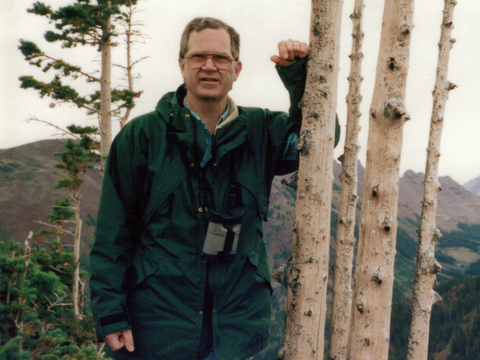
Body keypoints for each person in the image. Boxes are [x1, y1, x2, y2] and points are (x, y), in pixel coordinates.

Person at [90, 17, 310, 360]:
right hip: (156, 329)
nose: (209, 66)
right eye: (198, 57)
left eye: (221, 58)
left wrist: (299, 78)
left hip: (236, 330)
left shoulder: (264, 131)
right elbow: (112, 235)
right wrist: (111, 313)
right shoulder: (141, 137)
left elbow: (319, 142)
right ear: (182, 65)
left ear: (236, 69)